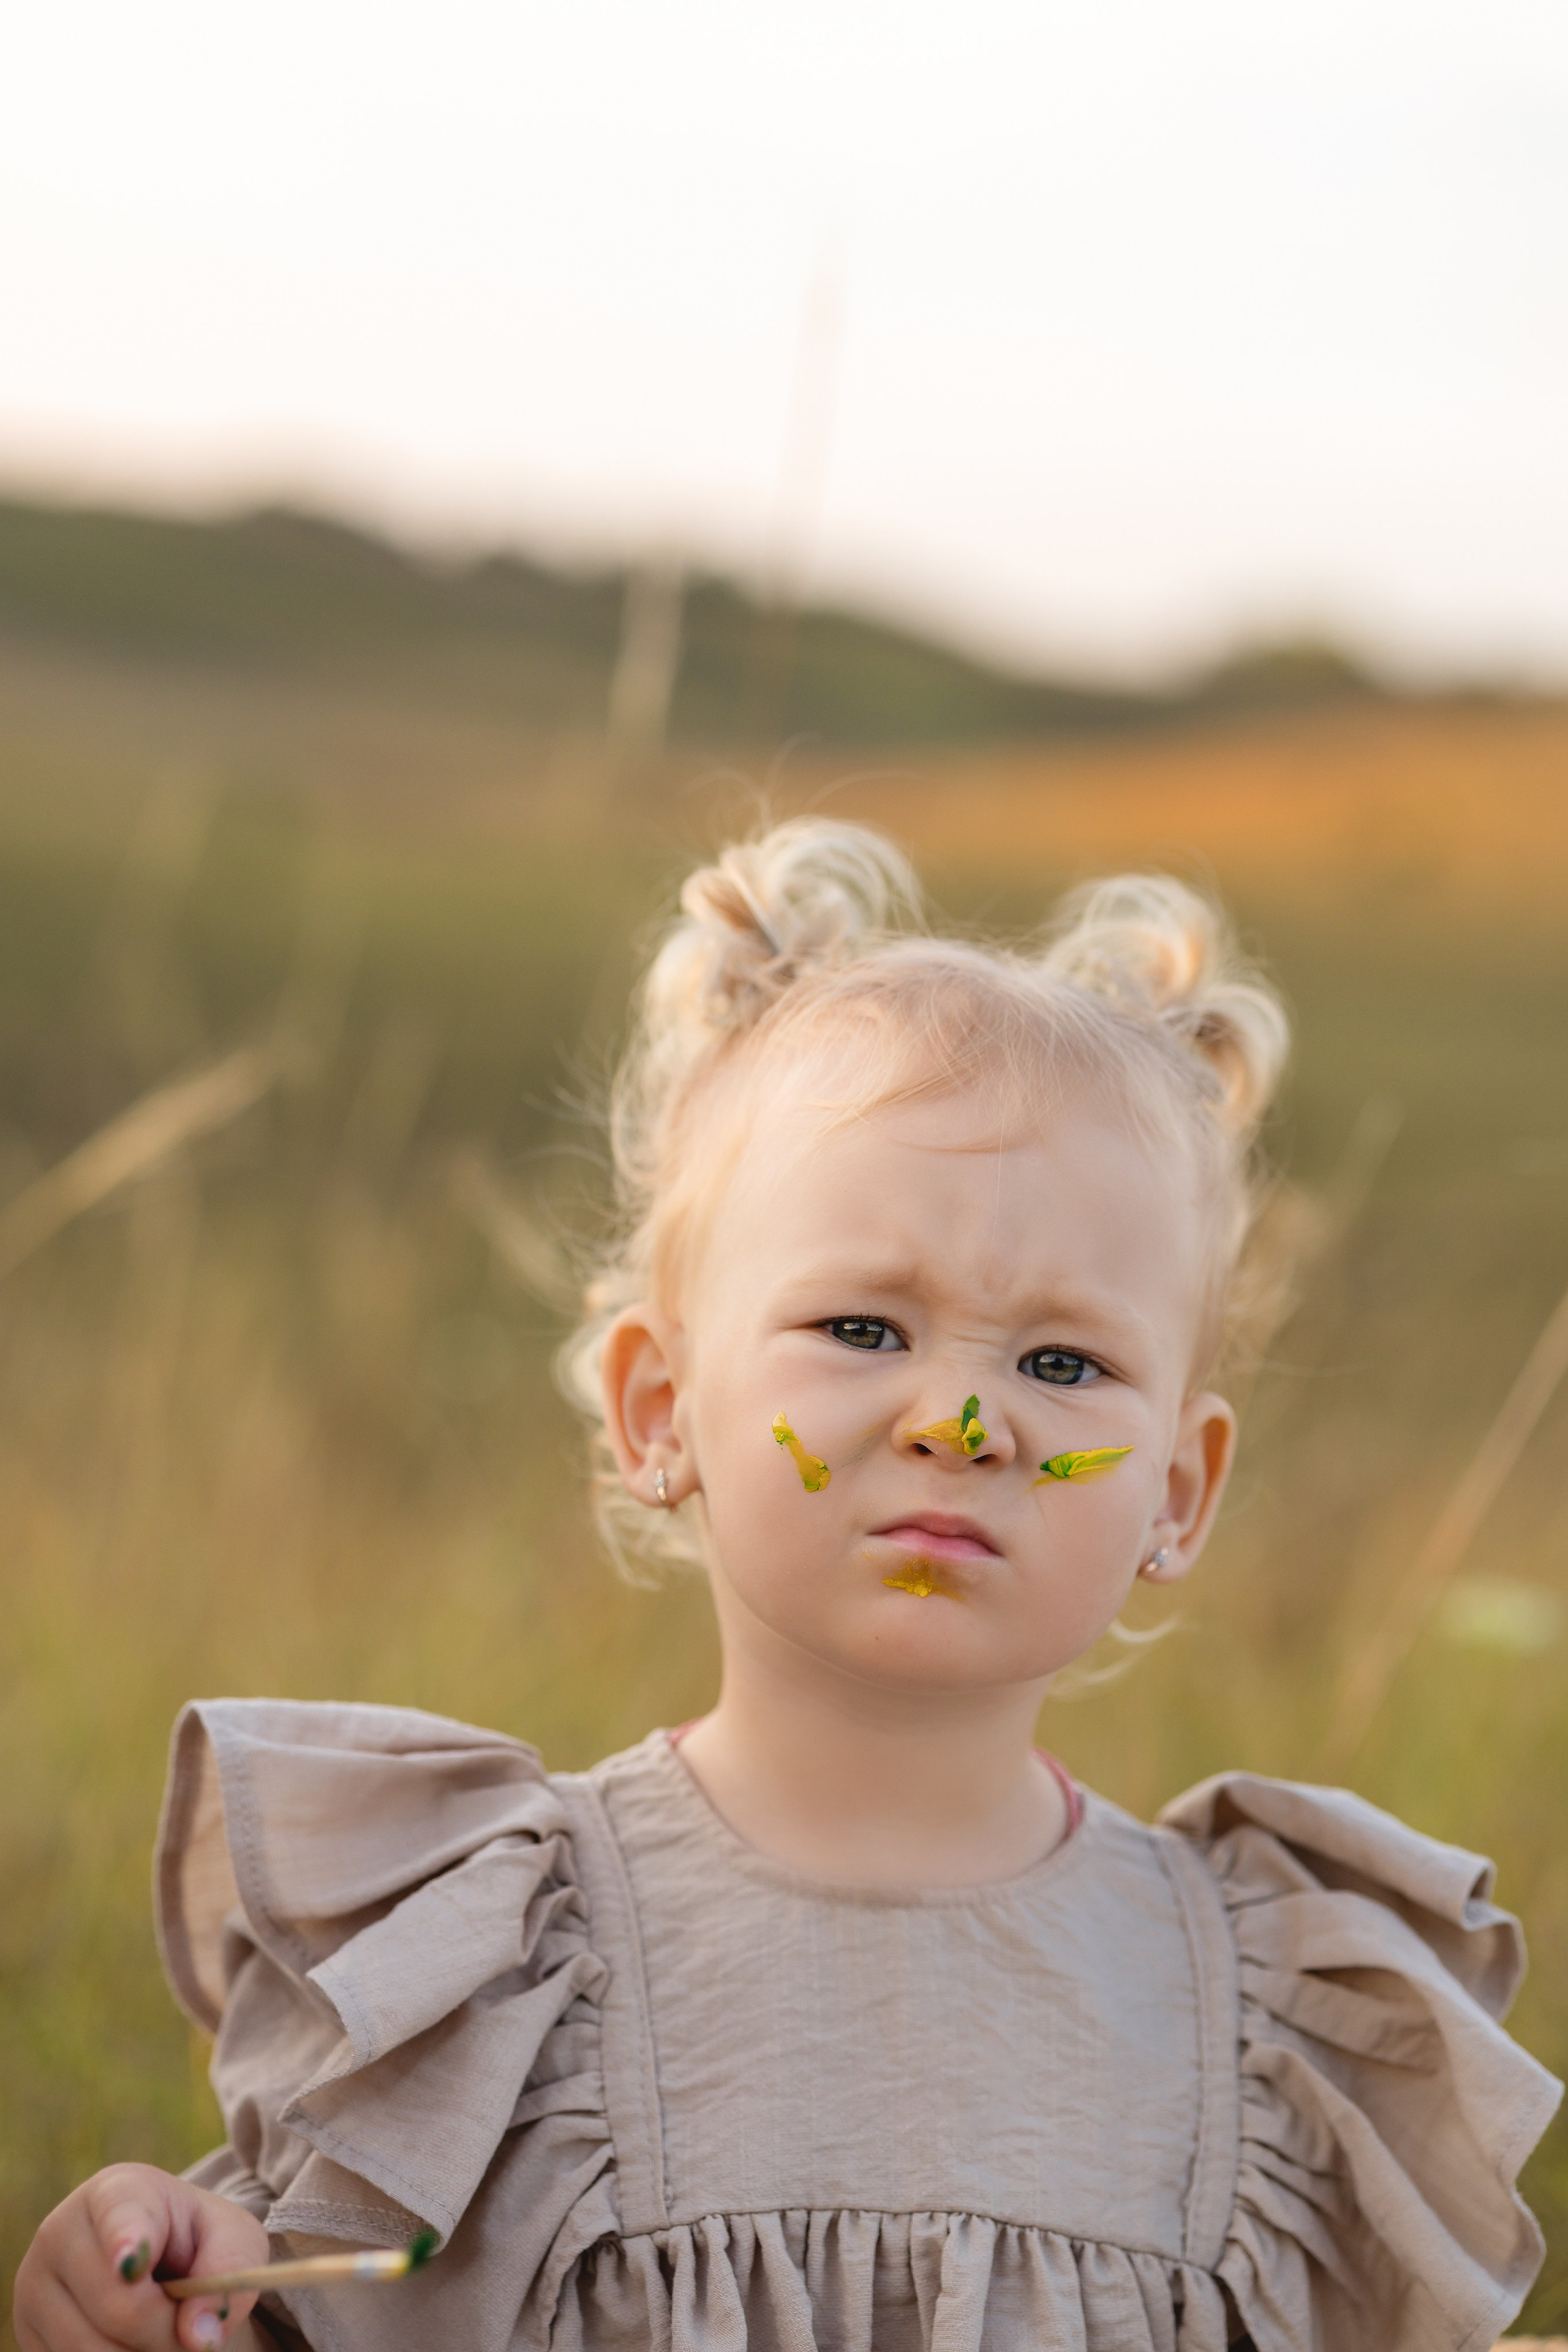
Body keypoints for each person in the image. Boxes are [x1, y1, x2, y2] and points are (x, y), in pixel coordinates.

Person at [15, 820, 1561, 2352]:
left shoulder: (1267, 2010)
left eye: (1062, 1362)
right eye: (863, 1331)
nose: (962, 1421)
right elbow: (321, 2306)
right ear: (656, 1411)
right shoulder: (498, 1958)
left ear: (1175, 1492)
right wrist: (183, 2284)